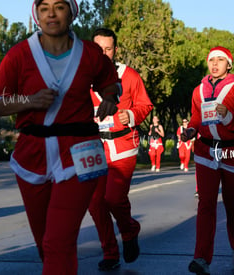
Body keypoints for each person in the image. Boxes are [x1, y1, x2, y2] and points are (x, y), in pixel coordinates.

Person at [0, 1, 121, 273]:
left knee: (59, 240)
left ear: (71, 12)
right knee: (45, 243)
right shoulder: (19, 55)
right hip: (32, 154)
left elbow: (109, 82)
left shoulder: (90, 53)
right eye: (44, 7)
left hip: (80, 150)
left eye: (59, 6)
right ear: (37, 13)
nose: (51, 13)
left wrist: (109, 98)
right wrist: (29, 101)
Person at [181, 46, 234, 274]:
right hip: (207, 152)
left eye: (220, 60)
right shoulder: (198, 91)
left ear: (229, 64)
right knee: (205, 204)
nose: (215, 64)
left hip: (233, 152)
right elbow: (196, 118)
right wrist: (190, 131)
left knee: (231, 202)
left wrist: (228, 117)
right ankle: (201, 258)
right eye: (211, 60)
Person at [88, 28, 153, 271]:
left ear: (115, 50)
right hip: (93, 146)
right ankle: (110, 253)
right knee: (95, 204)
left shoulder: (129, 76)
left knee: (113, 198)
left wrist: (131, 114)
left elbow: (145, 104)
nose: (104, 54)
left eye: (108, 49)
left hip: (123, 144)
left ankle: (129, 229)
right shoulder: (83, 78)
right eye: (99, 49)